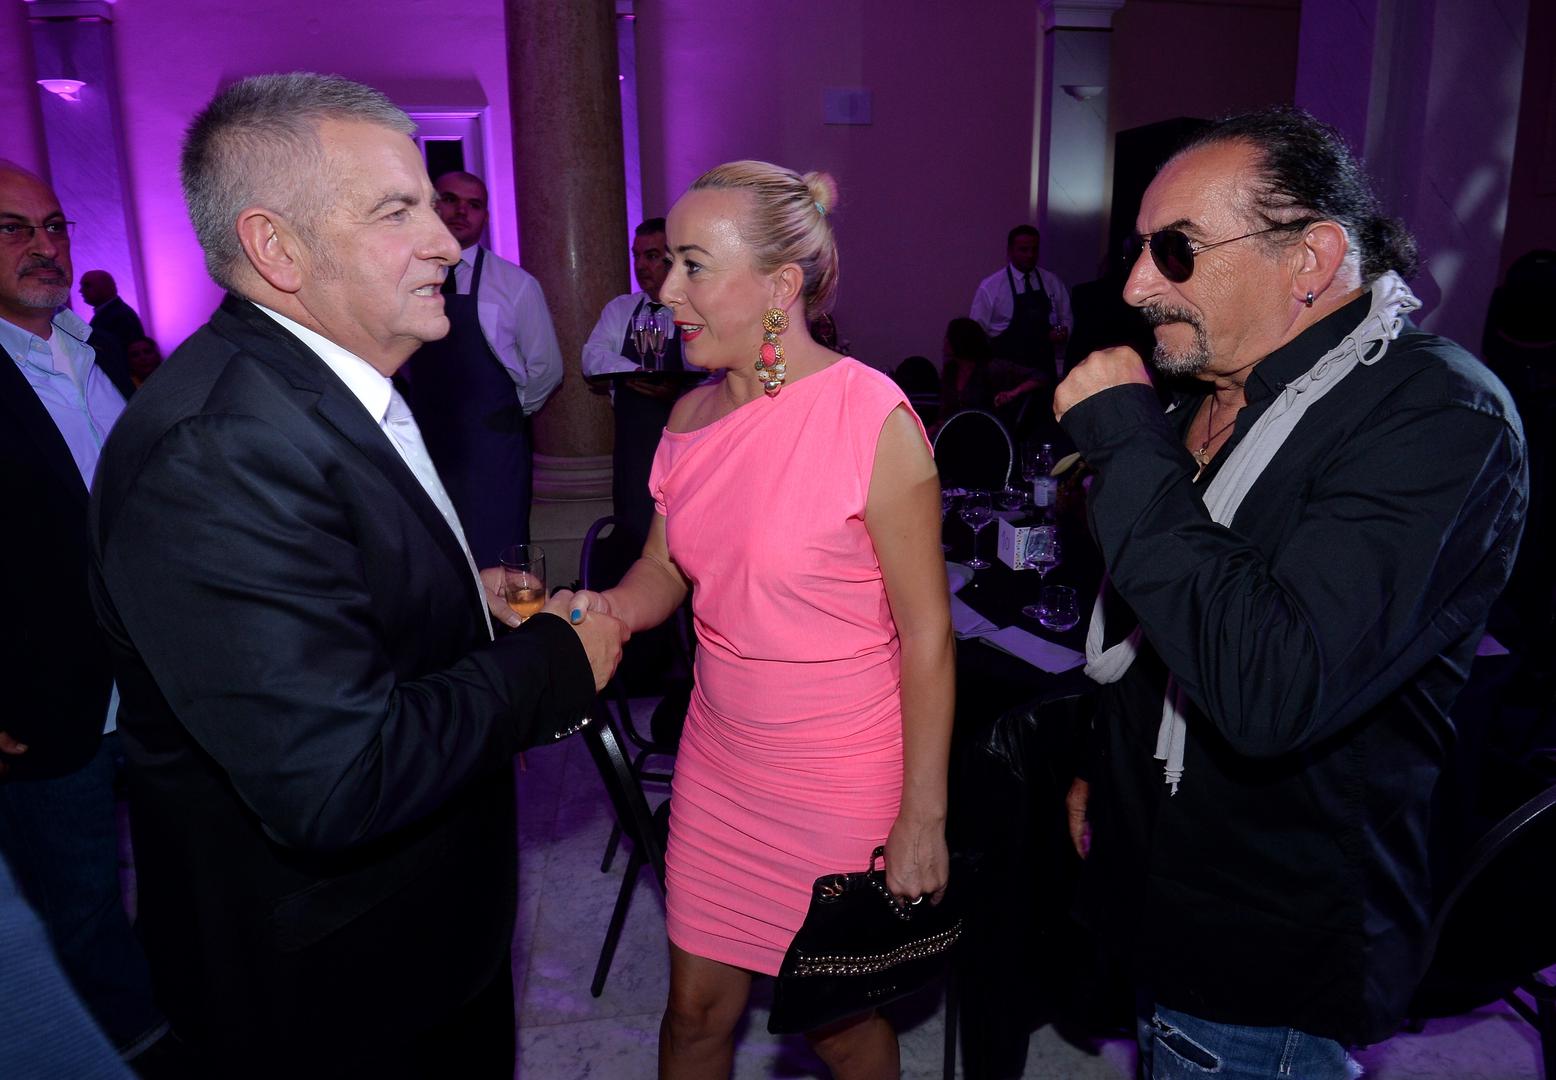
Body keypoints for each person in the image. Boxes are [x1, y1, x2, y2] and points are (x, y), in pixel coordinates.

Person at [87, 73, 627, 1077]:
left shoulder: (322, 382)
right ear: (276, 247)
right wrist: (556, 660)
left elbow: (321, 613)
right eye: (397, 210)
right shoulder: (216, 448)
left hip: (415, 946)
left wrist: (456, 598)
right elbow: (337, 776)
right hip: (334, 994)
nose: (447, 242)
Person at [1054, 106, 1528, 1078]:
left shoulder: (1438, 416)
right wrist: (1107, 764)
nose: (1136, 285)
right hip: (1163, 901)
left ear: (1309, 257)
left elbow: (1270, 683)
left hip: (1267, 950)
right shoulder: (1203, 394)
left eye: (1175, 250)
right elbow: (1162, 625)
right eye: (1138, 251)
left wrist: (1125, 445)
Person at [570, 160, 954, 1078]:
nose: (667, 290)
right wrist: (606, 609)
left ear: (780, 287)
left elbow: (928, 635)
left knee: (836, 1025)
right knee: (695, 1016)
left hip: (840, 776)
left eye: (693, 266)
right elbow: (665, 565)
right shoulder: (688, 418)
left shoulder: (870, 417)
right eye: (668, 264)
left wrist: (922, 816)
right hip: (720, 764)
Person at [0, 161, 166, 1064]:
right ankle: (127, 1053)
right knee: (78, 902)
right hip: (42, 698)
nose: (44, 245)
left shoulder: (88, 350)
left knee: (169, 874)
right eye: (13, 228)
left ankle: (176, 1016)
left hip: (146, 679)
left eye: (54, 225)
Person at [398, 168, 564, 560]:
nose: (461, 211)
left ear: (485, 217)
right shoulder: (400, 278)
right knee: (434, 557)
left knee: (498, 556)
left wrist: (504, 412)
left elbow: (547, 368)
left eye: (474, 205)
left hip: (493, 451)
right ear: (432, 205)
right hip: (421, 445)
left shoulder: (516, 285)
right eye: (450, 200)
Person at [582, 216, 696, 545]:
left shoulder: (694, 309)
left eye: (652, 256)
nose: (641, 265)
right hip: (633, 450)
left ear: (672, 260)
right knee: (632, 533)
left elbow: (708, 371)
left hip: (682, 447)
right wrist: (636, 373)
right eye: (637, 255)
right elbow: (592, 356)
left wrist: (677, 391)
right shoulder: (621, 309)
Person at [972, 224, 1071, 417]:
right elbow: (977, 333)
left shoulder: (1051, 282)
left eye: (1034, 249)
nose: (1030, 255)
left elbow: (1066, 317)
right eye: (1024, 250)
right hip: (1008, 379)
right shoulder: (991, 287)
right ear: (1010, 251)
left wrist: (1063, 332)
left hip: (1043, 374)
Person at [937, 315, 996, 427]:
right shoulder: (950, 370)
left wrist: (1013, 393)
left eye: (949, 338)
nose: (945, 341)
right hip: (953, 429)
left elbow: (1033, 376)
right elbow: (945, 412)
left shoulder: (989, 369)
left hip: (982, 429)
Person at [78, 269, 146, 349]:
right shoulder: (115, 312)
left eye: (87, 285)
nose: (80, 291)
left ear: (105, 287)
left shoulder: (121, 316)